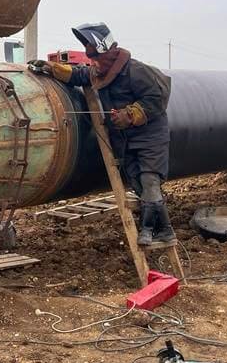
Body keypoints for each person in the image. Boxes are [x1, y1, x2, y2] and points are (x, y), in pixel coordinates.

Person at [30, 22, 176, 245]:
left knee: (150, 181)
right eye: (91, 58)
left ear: (107, 53)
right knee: (138, 183)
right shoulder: (101, 71)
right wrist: (52, 69)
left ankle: (148, 230)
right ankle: (164, 229)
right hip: (126, 140)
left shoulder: (136, 71)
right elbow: (80, 74)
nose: (93, 63)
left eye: (96, 58)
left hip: (150, 138)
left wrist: (131, 114)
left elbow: (157, 98)